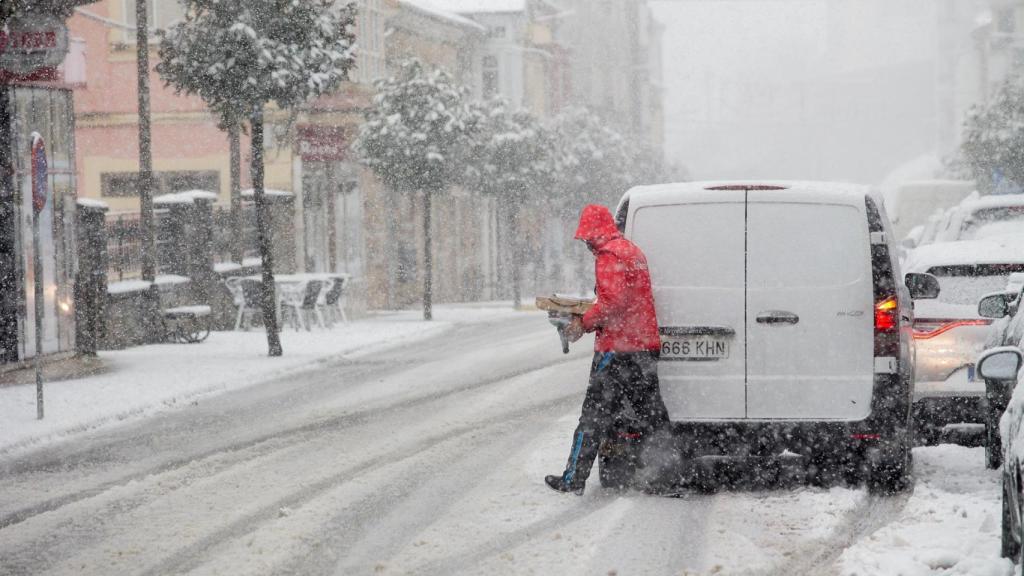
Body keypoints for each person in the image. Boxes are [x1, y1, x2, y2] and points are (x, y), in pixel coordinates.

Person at [545, 204, 670, 494]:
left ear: (593, 234)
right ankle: (668, 478)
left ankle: (572, 478)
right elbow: (627, 298)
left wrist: (584, 322)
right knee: (653, 416)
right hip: (644, 348)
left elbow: (613, 304)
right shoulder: (632, 251)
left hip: (617, 349)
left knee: (593, 416)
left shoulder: (609, 255)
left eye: (586, 239)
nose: (587, 245)